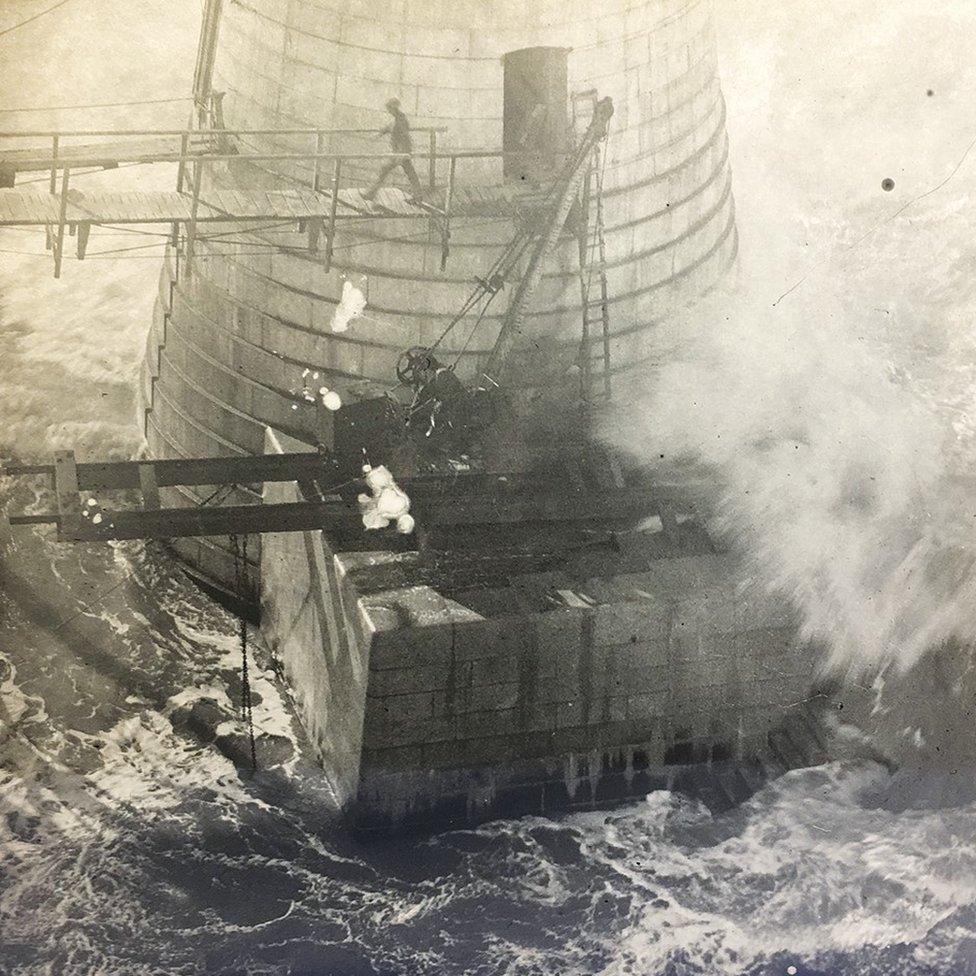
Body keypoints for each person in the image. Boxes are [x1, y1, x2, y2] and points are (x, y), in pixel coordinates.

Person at [363, 98, 425, 203]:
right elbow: (388, 127)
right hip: (399, 152)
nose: (388, 111)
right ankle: (418, 195)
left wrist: (404, 153)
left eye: (389, 109)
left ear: (394, 108)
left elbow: (404, 136)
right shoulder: (397, 119)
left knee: (385, 170)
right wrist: (378, 134)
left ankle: (370, 194)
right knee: (409, 173)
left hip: (401, 152)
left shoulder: (401, 120)